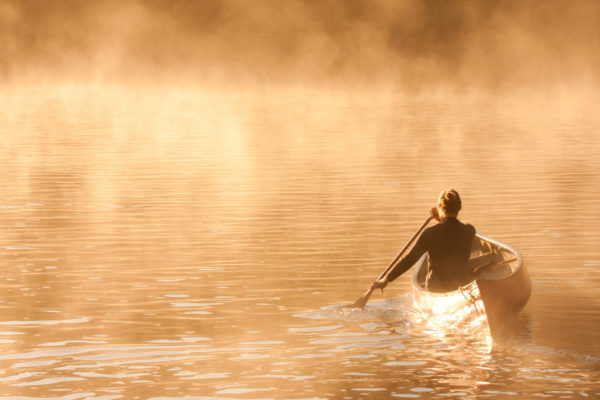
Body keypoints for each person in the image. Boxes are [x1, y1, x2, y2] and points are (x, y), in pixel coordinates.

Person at [371, 189, 476, 293]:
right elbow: (452, 228)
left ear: (440, 208)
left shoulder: (430, 233)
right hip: (461, 288)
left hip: (436, 288)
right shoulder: (470, 231)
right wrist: (441, 216)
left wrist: (386, 280)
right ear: (459, 207)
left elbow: (410, 259)